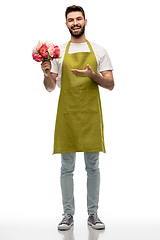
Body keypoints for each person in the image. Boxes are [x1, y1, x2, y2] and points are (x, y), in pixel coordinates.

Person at [41, 5, 114, 231]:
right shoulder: (57, 53)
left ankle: (93, 213)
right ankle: (68, 214)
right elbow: (50, 88)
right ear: (66, 24)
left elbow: (110, 84)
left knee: (93, 166)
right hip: (68, 114)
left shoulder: (100, 50)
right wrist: (46, 73)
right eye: (71, 20)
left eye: (78, 19)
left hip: (91, 114)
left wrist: (93, 75)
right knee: (66, 167)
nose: (75, 23)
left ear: (85, 21)